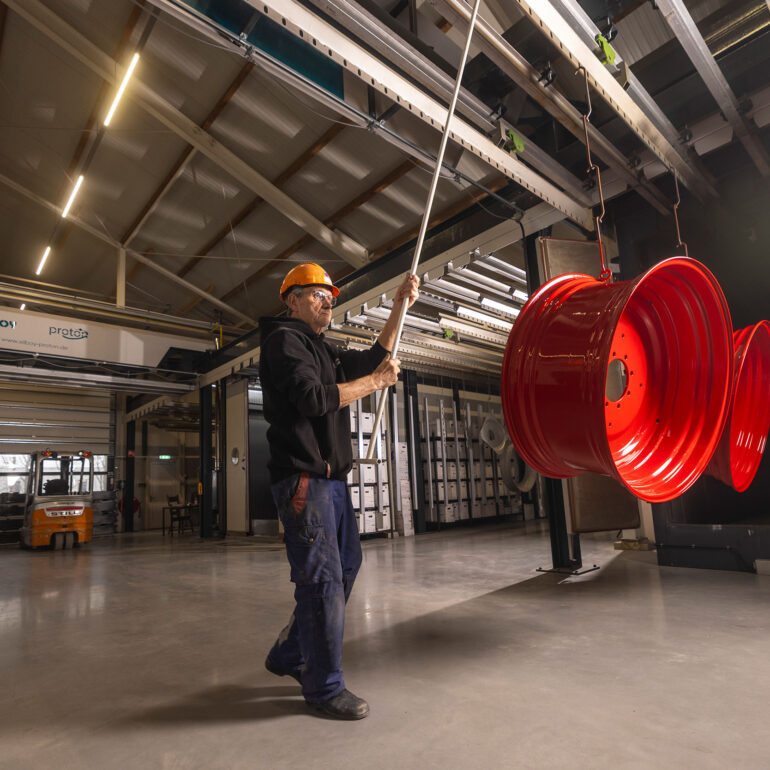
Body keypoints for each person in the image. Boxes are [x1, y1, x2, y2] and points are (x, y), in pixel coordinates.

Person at [259, 262, 419, 720]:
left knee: (346, 565)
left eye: (330, 296)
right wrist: (375, 383)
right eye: (317, 294)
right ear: (292, 301)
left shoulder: (321, 347)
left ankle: (289, 654)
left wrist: (399, 306)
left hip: (330, 482)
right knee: (323, 582)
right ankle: (324, 687)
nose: (328, 301)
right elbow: (313, 400)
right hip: (303, 482)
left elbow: (373, 359)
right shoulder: (284, 342)